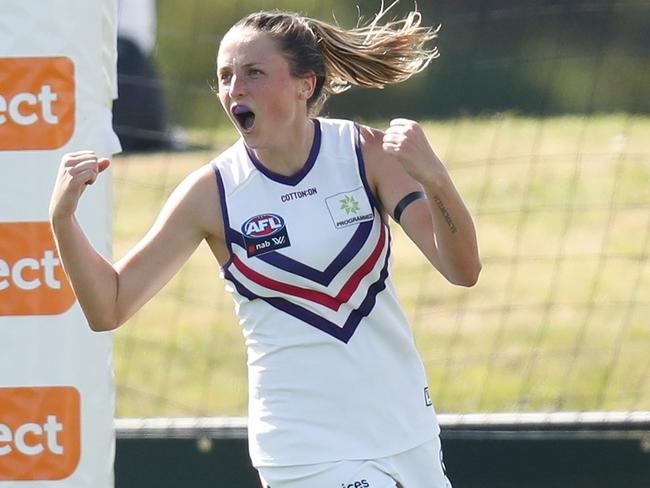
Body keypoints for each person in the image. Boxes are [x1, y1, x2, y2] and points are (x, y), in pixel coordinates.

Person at [49, 4, 481, 488]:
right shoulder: (211, 193)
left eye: (254, 73)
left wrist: (437, 180)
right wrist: (62, 219)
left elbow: (462, 269)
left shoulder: (367, 154)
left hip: (407, 430)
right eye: (226, 76)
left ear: (306, 85)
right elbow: (108, 307)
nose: (236, 89)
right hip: (304, 449)